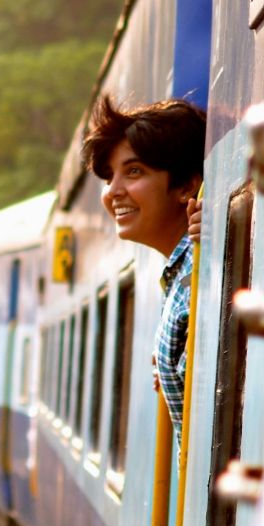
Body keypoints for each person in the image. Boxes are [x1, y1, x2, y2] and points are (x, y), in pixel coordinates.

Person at [80, 95, 207, 441]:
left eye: (133, 171)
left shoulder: (202, 275)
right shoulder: (181, 274)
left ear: (186, 186)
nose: (112, 192)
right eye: (109, 178)